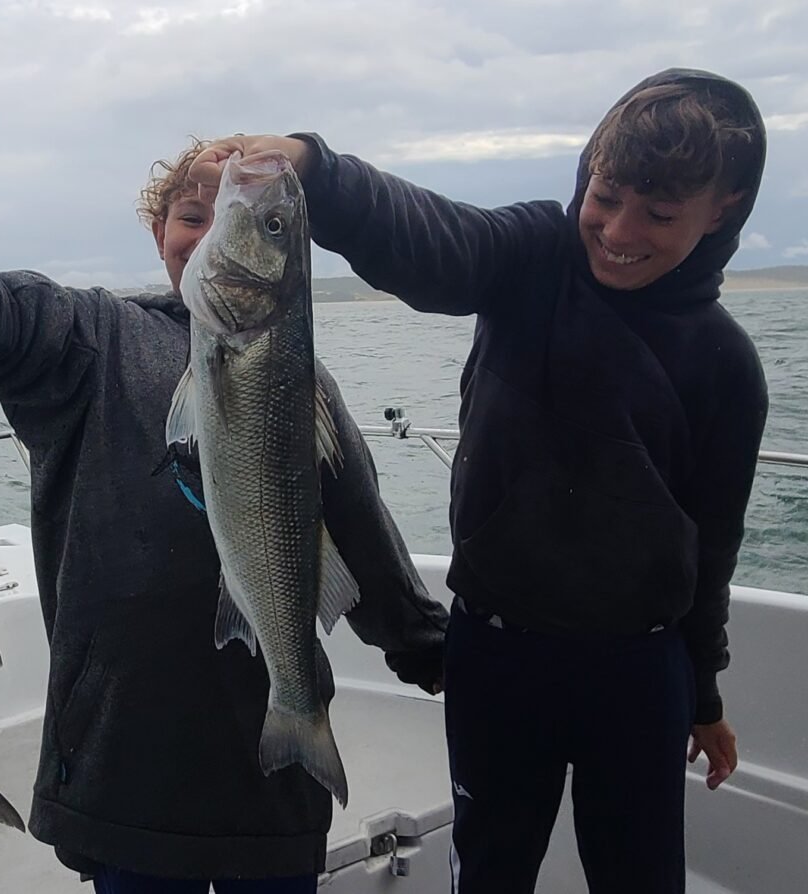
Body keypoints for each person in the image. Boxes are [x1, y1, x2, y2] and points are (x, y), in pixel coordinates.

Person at [189, 68, 769, 893]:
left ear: (727, 209)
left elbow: (713, 551)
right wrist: (319, 170)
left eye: (661, 215)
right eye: (605, 196)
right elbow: (436, 241)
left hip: (642, 672)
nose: (617, 230)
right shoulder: (534, 256)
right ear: (587, 171)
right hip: (497, 653)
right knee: (489, 869)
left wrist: (703, 694)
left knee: (641, 874)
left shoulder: (728, 365)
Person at [0, 139, 449, 893]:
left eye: (257, 225)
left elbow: (359, 520)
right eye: (193, 215)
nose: (206, 233)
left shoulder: (300, 371)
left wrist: (428, 649)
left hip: (266, 776)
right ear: (159, 235)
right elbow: (19, 323)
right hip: (127, 758)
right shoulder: (92, 340)